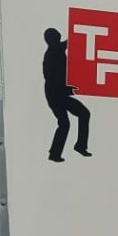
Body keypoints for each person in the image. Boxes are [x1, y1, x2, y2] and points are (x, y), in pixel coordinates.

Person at [42, 28, 90, 162]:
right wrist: (68, 89)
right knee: (66, 122)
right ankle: (56, 153)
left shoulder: (56, 49)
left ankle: (76, 147)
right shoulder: (53, 53)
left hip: (58, 93)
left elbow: (68, 43)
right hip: (56, 95)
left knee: (80, 116)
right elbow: (54, 79)